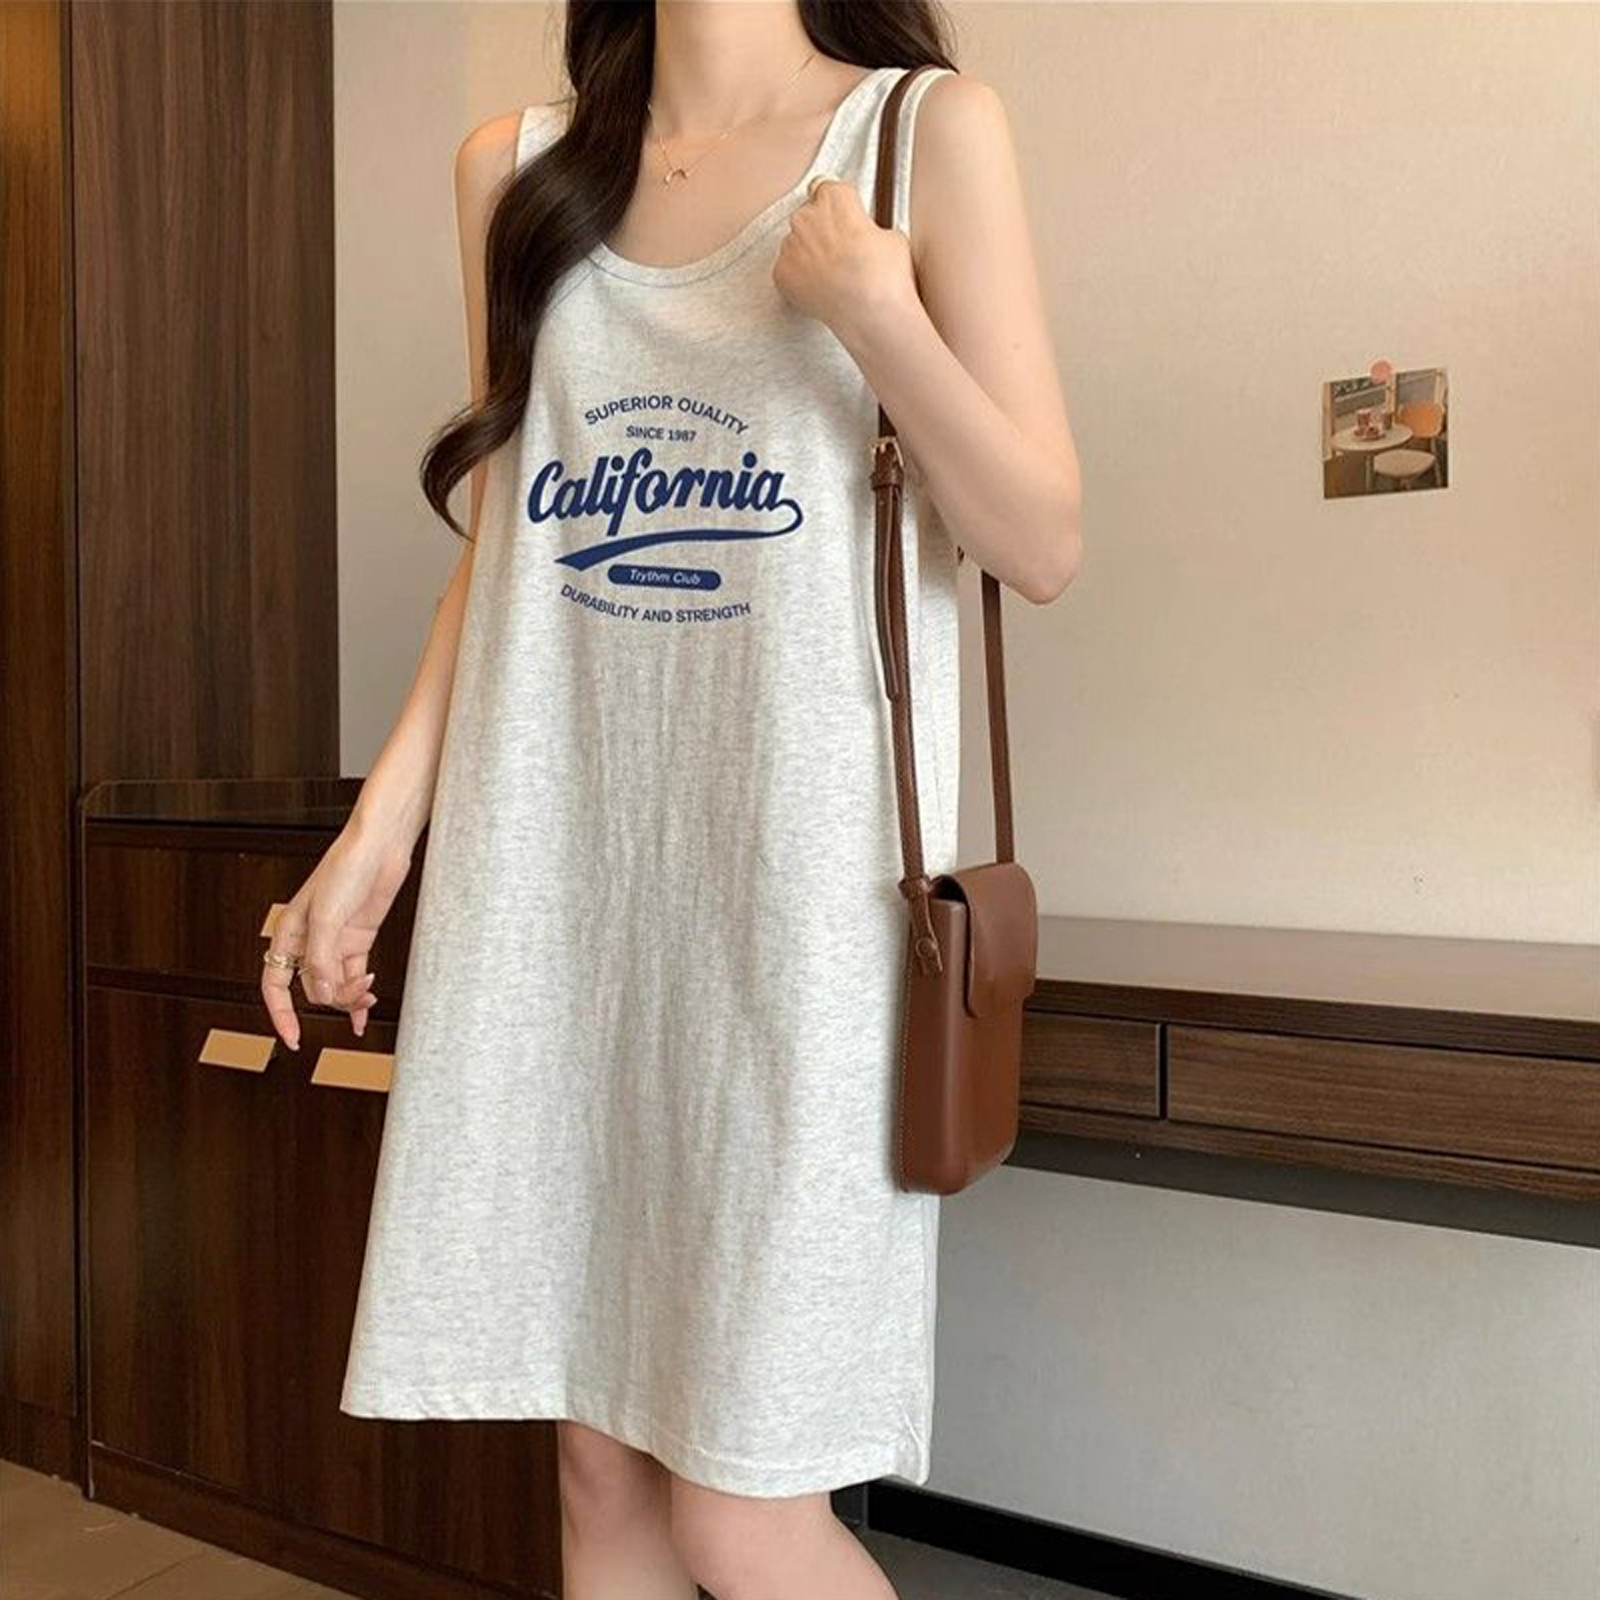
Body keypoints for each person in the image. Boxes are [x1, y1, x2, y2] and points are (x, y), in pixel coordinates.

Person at [259, 3, 1081, 1596]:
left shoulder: (920, 135)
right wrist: (373, 843)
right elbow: (505, 544)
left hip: (797, 917)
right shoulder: (516, 172)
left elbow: (1041, 542)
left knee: (742, 1507)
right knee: (599, 1477)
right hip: (553, 894)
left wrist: (878, 315)